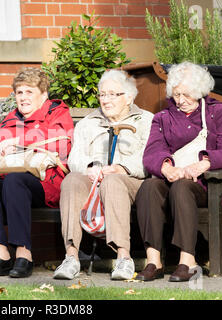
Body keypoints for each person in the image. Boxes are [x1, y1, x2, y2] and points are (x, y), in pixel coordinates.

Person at [135, 61, 222, 282]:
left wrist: (204, 164)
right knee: (149, 186)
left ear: (200, 91)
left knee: (182, 188)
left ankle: (187, 261)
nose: (180, 100)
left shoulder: (219, 112)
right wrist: (166, 167)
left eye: (186, 94)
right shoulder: (163, 118)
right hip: (174, 180)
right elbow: (152, 152)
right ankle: (154, 261)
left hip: (208, 185)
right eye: (176, 94)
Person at [0, 67, 74, 278]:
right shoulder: (10, 119)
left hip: (46, 183)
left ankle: (23, 254)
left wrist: (18, 142)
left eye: (29, 92)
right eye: (19, 92)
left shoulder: (57, 112)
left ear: (43, 95)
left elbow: (62, 142)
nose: (23, 98)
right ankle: (1, 255)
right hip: (13, 181)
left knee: (14, 180)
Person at [53, 70, 154, 281]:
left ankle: (123, 258)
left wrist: (122, 168)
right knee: (71, 180)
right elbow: (74, 158)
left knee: (114, 181)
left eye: (112, 95)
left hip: (129, 182)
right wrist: (90, 166)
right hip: (93, 180)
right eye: (102, 94)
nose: (105, 100)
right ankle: (71, 256)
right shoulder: (88, 123)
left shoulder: (146, 120)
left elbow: (149, 158)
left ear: (129, 97)